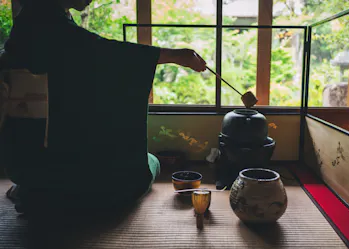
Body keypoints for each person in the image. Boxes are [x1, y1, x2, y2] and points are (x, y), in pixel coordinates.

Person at [0, 0, 207, 214]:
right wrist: (175, 55)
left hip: (25, 160)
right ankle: (49, 189)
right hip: (56, 162)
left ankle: (35, 189)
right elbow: (108, 54)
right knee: (144, 170)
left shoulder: (31, 22)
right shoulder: (49, 25)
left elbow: (94, 56)